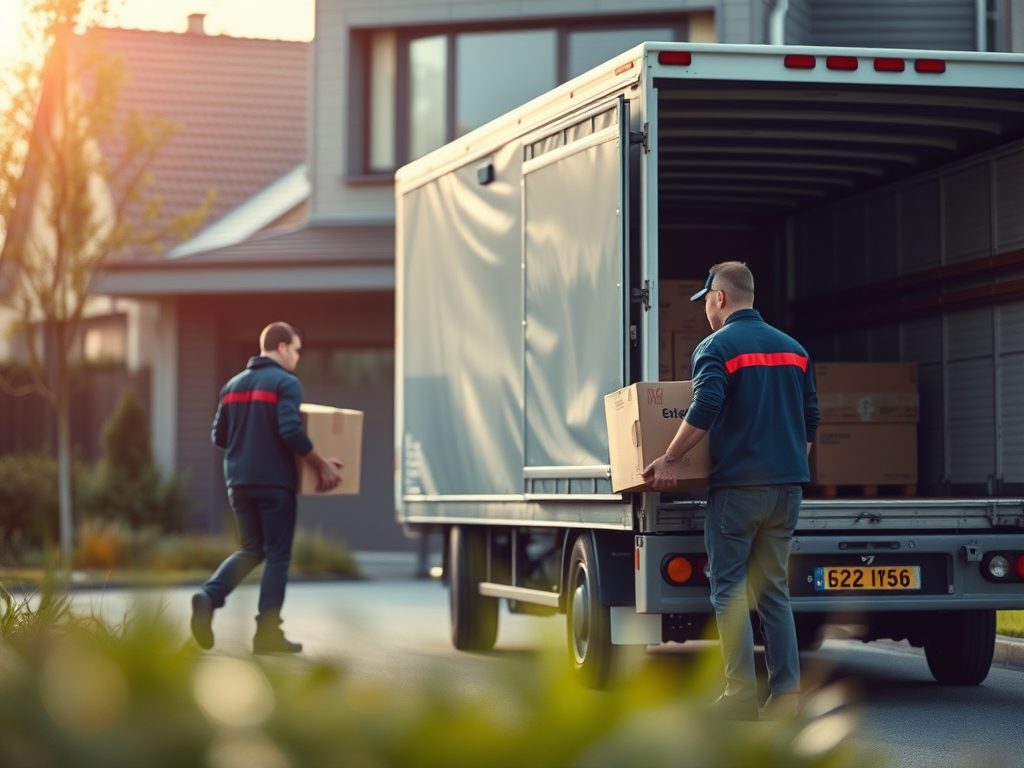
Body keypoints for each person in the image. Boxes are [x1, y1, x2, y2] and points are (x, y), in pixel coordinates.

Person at [642, 262, 819, 721]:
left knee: (730, 592)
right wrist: (789, 461)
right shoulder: (795, 349)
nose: (704, 309)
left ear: (719, 297)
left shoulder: (717, 346)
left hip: (740, 489)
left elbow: (708, 402)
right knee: (774, 592)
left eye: (705, 300)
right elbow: (811, 417)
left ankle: (740, 695)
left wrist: (672, 458)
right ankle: (786, 698)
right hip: (788, 490)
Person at [190, 321, 342, 654]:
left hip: (239, 483)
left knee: (251, 548)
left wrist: (249, 438)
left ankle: (208, 597)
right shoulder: (286, 383)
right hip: (274, 484)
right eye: (297, 350)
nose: (299, 358)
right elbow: (289, 429)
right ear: (283, 347)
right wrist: (322, 464)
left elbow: (219, 436)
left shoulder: (232, 385)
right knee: (277, 556)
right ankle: (267, 635)